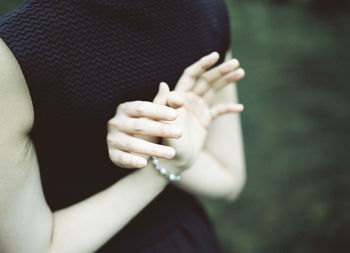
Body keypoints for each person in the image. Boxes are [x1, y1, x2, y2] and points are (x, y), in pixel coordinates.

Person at [0, 0, 246, 252]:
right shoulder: (16, 52)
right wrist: (160, 167)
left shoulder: (205, 10)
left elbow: (229, 178)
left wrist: (163, 141)